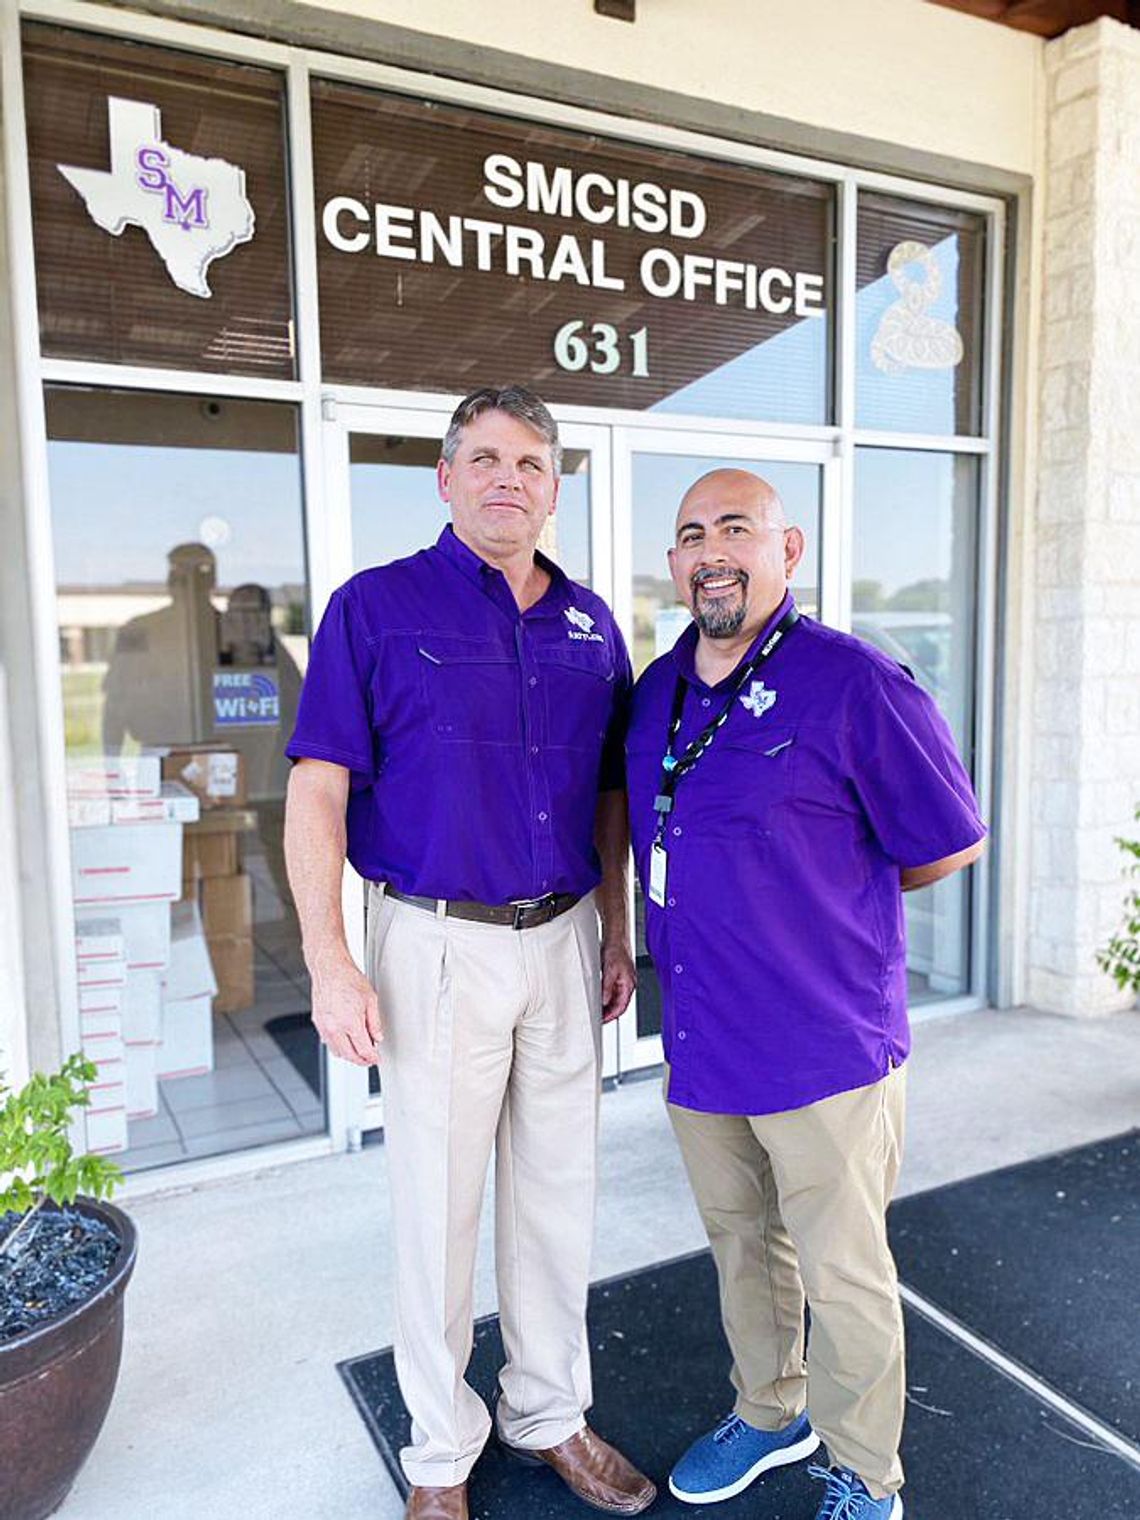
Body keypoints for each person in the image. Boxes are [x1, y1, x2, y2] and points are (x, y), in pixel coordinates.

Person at [283, 386, 655, 1520]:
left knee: (557, 1195)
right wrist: (329, 956)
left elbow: (609, 798)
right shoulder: (375, 608)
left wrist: (616, 930)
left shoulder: (592, 623)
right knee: (436, 1208)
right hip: (432, 943)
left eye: (533, 462)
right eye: (485, 458)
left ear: (554, 486)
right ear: (444, 478)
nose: (510, 478)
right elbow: (316, 789)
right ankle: (440, 1453)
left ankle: (550, 1412)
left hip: (563, 939)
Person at [625, 469, 986, 1520]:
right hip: (701, 1039)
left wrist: (822, 906)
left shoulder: (860, 681)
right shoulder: (656, 690)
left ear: (792, 549)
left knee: (845, 1271)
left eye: (737, 527)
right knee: (744, 1245)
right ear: (675, 564)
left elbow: (944, 845)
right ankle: (771, 1409)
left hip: (825, 1043)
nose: (712, 549)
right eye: (692, 534)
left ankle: (869, 1471)